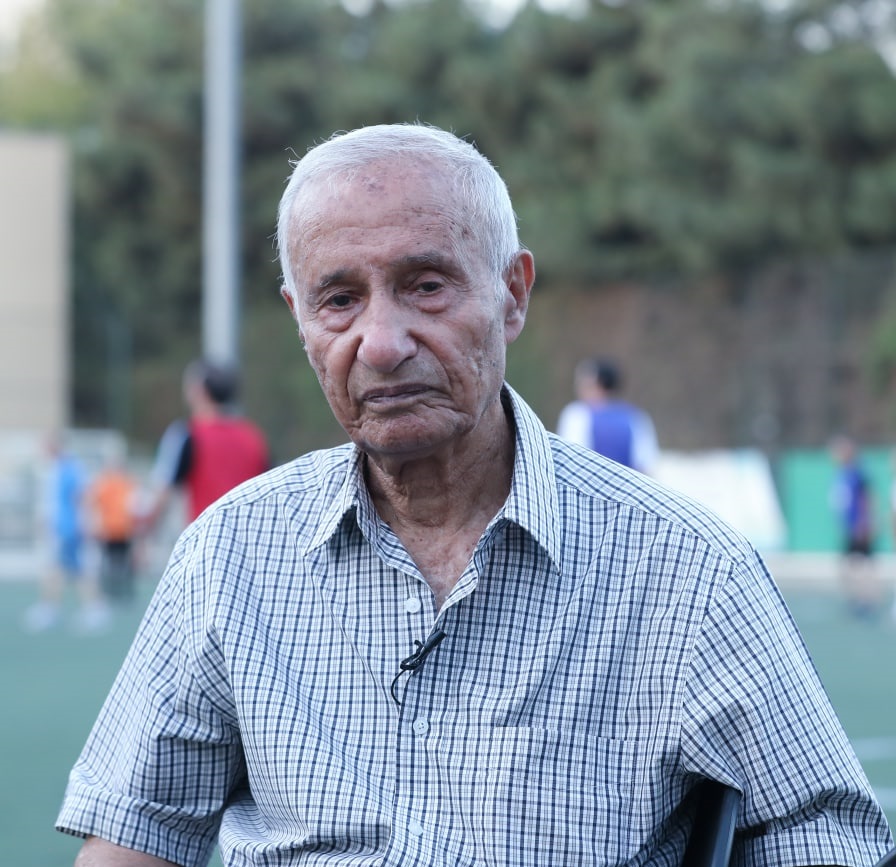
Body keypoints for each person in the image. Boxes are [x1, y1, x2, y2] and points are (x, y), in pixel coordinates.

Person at [57, 124, 891, 866]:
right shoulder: (228, 553)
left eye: (426, 285)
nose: (381, 343)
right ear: (298, 318)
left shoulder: (689, 570)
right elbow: (135, 833)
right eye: (339, 299)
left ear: (513, 293)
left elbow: (822, 834)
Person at [144, 359, 269, 528]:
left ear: (198, 390)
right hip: (249, 535)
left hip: (206, 536)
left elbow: (161, 496)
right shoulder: (253, 437)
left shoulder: (186, 434)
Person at [23, 432, 110, 633]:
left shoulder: (70, 468)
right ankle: (51, 608)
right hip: (62, 528)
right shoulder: (57, 468)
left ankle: (94, 608)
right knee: (56, 569)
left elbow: (82, 496)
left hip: (70, 529)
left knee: (76, 570)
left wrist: (83, 523)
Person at [557, 355, 659, 474]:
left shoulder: (577, 415)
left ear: (598, 384)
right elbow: (647, 467)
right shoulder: (636, 418)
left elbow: (569, 462)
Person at [829, 434, 882, 618]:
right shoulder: (843, 473)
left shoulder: (858, 472)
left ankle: (869, 601)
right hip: (851, 528)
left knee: (863, 566)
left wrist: (866, 522)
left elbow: (868, 497)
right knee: (850, 566)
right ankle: (860, 600)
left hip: (859, 528)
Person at [84, 446, 141, 604]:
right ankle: (109, 592)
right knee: (108, 563)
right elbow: (92, 503)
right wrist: (94, 523)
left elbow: (135, 506)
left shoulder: (128, 482)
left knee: (125, 563)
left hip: (124, 529)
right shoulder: (104, 483)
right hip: (108, 529)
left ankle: (124, 593)